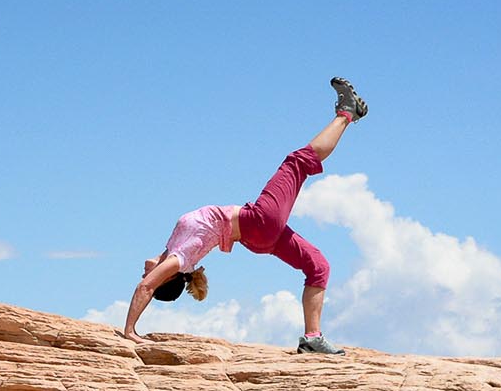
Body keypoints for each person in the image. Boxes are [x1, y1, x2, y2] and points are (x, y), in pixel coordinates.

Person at [121, 77, 366, 354]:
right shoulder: (180, 260)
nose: (143, 271)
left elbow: (148, 282)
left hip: (258, 237)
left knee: (319, 266)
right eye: (151, 276)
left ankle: (312, 338)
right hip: (258, 222)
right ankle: (347, 112)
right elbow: (145, 287)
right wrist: (130, 331)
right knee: (297, 162)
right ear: (165, 278)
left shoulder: (172, 251)